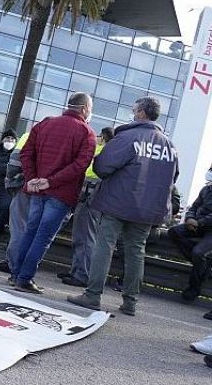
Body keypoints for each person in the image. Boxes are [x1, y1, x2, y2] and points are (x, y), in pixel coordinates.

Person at [68, 97, 178, 316]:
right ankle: (130, 302)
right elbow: (173, 177)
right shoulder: (169, 146)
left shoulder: (128, 137)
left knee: (104, 246)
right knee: (136, 251)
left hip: (117, 203)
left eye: (134, 109)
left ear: (141, 113)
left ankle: (92, 295)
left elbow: (102, 167)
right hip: (147, 210)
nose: (132, 113)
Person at [13, 93, 96, 294]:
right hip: (61, 193)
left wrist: (32, 178)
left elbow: (26, 153)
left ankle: (16, 274)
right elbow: (80, 165)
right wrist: (51, 182)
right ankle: (25, 278)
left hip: (37, 190)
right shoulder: (87, 133)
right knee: (43, 236)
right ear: (85, 108)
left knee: (30, 231)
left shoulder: (45, 123)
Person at [59, 127, 115, 287]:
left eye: (99, 136)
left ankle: (82, 275)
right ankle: (76, 270)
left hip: (89, 196)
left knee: (84, 236)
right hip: (92, 196)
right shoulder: (109, 153)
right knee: (82, 236)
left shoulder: (101, 151)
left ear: (103, 137)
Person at [168, 165, 212, 304]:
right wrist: (190, 219)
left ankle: (194, 288)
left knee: (198, 253)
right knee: (174, 232)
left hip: (207, 228)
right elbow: (193, 207)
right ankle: (203, 266)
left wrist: (199, 222)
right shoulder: (206, 189)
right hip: (197, 224)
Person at [0, 131, 30, 274]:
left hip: (26, 185)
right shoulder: (73, 135)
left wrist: (11, 183)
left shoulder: (31, 134)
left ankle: (12, 263)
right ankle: (24, 266)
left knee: (19, 227)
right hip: (48, 190)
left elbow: (13, 164)